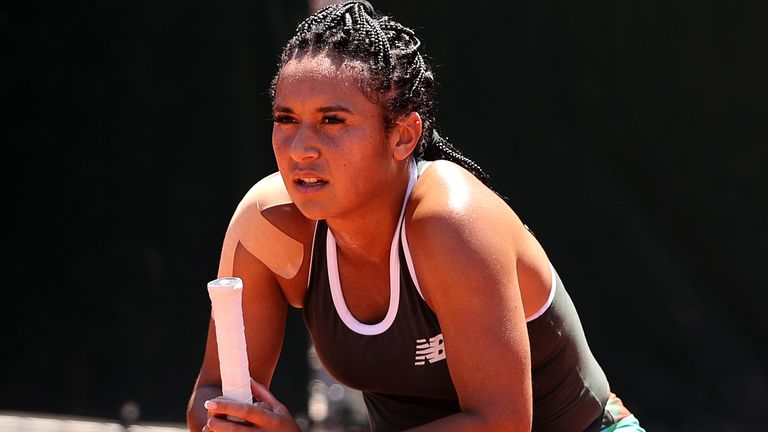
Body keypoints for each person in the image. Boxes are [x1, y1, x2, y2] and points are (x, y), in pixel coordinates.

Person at [187, 2, 647, 431]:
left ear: (403, 137)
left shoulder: (450, 221)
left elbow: (500, 424)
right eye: (286, 119)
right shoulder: (267, 224)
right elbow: (212, 392)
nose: (300, 148)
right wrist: (229, 419)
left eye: (332, 121)